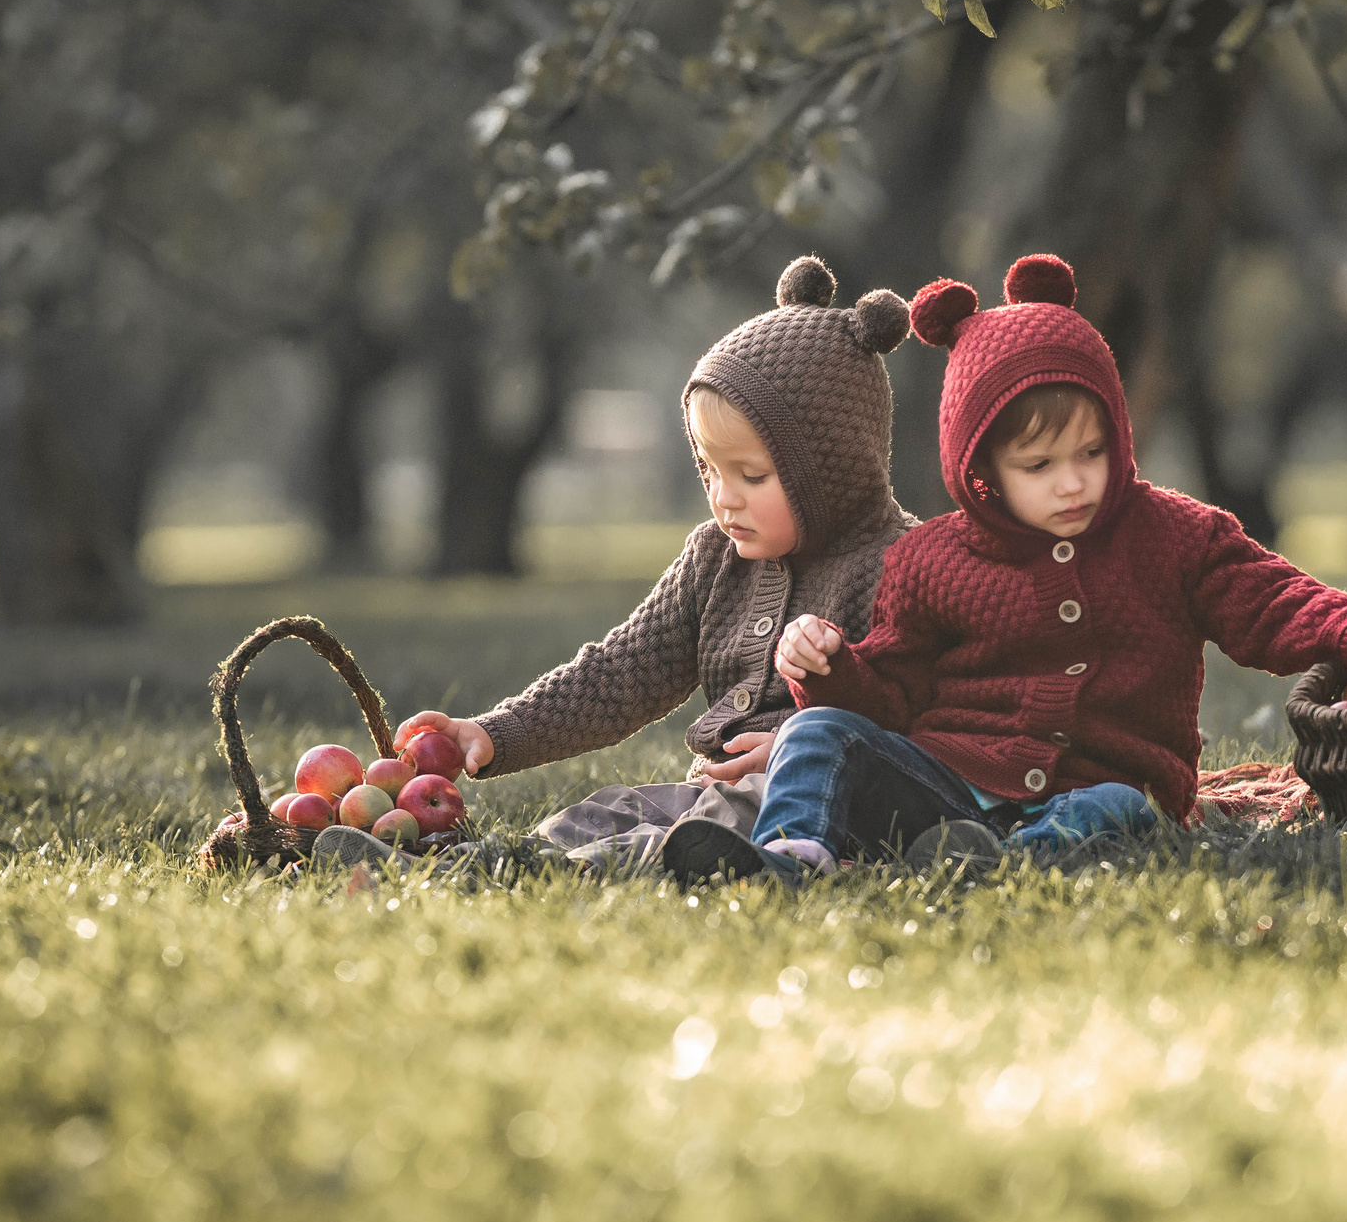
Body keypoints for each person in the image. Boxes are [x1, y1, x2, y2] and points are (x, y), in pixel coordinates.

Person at [660, 253, 1347, 885]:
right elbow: (890, 694)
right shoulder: (932, 558)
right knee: (819, 730)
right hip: (952, 775)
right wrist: (827, 670)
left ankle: (998, 862)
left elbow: (1268, 596)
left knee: (1117, 807)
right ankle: (790, 857)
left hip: (1098, 780)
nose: (1072, 482)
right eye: (1038, 464)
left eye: (1092, 453)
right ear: (983, 469)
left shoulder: (1172, 533)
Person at [310, 256, 915, 882]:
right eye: (709, 469)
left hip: (820, 810)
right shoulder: (714, 559)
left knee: (701, 829)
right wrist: (495, 733)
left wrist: (800, 748)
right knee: (609, 810)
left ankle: (561, 874)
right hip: (713, 791)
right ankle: (483, 861)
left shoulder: (899, 566)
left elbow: (926, 707)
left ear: (833, 471)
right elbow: (620, 672)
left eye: (752, 476)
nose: (724, 497)